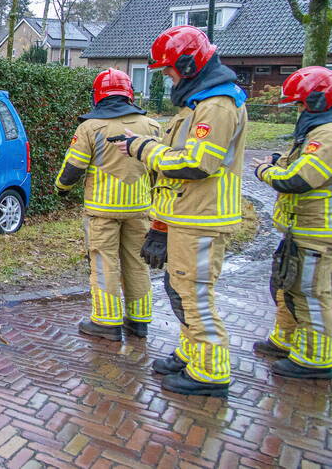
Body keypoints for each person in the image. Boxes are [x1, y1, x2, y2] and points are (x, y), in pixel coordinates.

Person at [118, 26, 247, 398]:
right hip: (186, 215)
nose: (168, 76)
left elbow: (197, 163)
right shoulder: (200, 104)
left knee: (195, 295)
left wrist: (143, 149)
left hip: (203, 218)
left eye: (170, 69)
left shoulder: (217, 106)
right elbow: (182, 151)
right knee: (180, 290)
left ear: (189, 64)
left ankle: (210, 372)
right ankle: (192, 354)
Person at [55, 68, 160, 341]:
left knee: (104, 263)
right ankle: (139, 321)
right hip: (140, 209)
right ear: (129, 94)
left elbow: (73, 168)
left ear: (97, 96)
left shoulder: (90, 127)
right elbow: (160, 169)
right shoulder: (152, 126)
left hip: (103, 211)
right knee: (138, 263)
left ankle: (106, 321)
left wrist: (61, 188)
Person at [251, 66, 332, 379]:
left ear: (315, 102)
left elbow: (298, 179)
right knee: (290, 288)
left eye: (299, 105)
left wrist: (265, 173)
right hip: (302, 229)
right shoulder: (315, 133)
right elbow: (295, 163)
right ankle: (286, 340)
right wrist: (276, 161)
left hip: (318, 232)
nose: (297, 111)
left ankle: (315, 359)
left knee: (311, 293)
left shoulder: (326, 134)